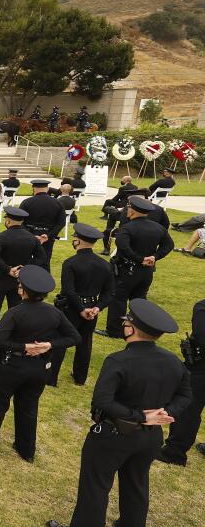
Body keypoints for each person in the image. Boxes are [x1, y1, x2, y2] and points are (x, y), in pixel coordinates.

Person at [47, 299, 192, 527]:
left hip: (115, 434)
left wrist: (139, 416)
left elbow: (103, 401)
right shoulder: (173, 361)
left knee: (96, 484)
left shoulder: (119, 360)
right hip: (150, 437)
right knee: (136, 482)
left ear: (131, 329)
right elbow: (185, 396)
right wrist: (166, 413)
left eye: (127, 322)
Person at [0, 265, 80, 463]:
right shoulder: (54, 313)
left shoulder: (15, 313)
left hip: (10, 367)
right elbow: (74, 337)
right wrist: (49, 345)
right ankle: (26, 449)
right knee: (28, 407)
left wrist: (24, 345)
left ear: (22, 290)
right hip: (38, 368)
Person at [49, 224, 114, 387]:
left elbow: (69, 291)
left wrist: (81, 309)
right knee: (85, 342)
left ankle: (51, 377)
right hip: (92, 307)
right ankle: (80, 377)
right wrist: (97, 308)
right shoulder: (105, 264)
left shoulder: (71, 263)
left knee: (61, 340)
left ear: (78, 241)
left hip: (72, 308)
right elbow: (109, 292)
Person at [0, 207, 45, 343]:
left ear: (8, 221)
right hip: (19, 280)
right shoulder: (31, 238)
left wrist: (8, 269)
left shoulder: (1, 237)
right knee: (15, 309)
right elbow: (41, 258)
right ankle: (12, 335)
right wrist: (24, 268)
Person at [104, 196, 175, 338]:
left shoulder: (127, 228)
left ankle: (115, 330)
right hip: (147, 271)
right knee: (140, 299)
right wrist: (155, 257)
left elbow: (123, 246)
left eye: (128, 208)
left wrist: (140, 259)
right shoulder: (158, 228)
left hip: (127, 270)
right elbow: (169, 245)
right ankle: (140, 327)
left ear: (132, 211)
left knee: (119, 299)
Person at [158, 298, 205, 465]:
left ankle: (175, 452)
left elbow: (201, 335)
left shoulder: (202, 307)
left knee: (188, 408)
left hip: (201, 368)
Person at [20, 180, 64, 268]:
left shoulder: (26, 202)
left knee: (26, 261)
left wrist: (30, 235)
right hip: (47, 237)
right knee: (45, 261)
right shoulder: (57, 203)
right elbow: (61, 223)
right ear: (47, 189)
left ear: (34, 189)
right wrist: (49, 235)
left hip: (29, 235)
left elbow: (20, 221)